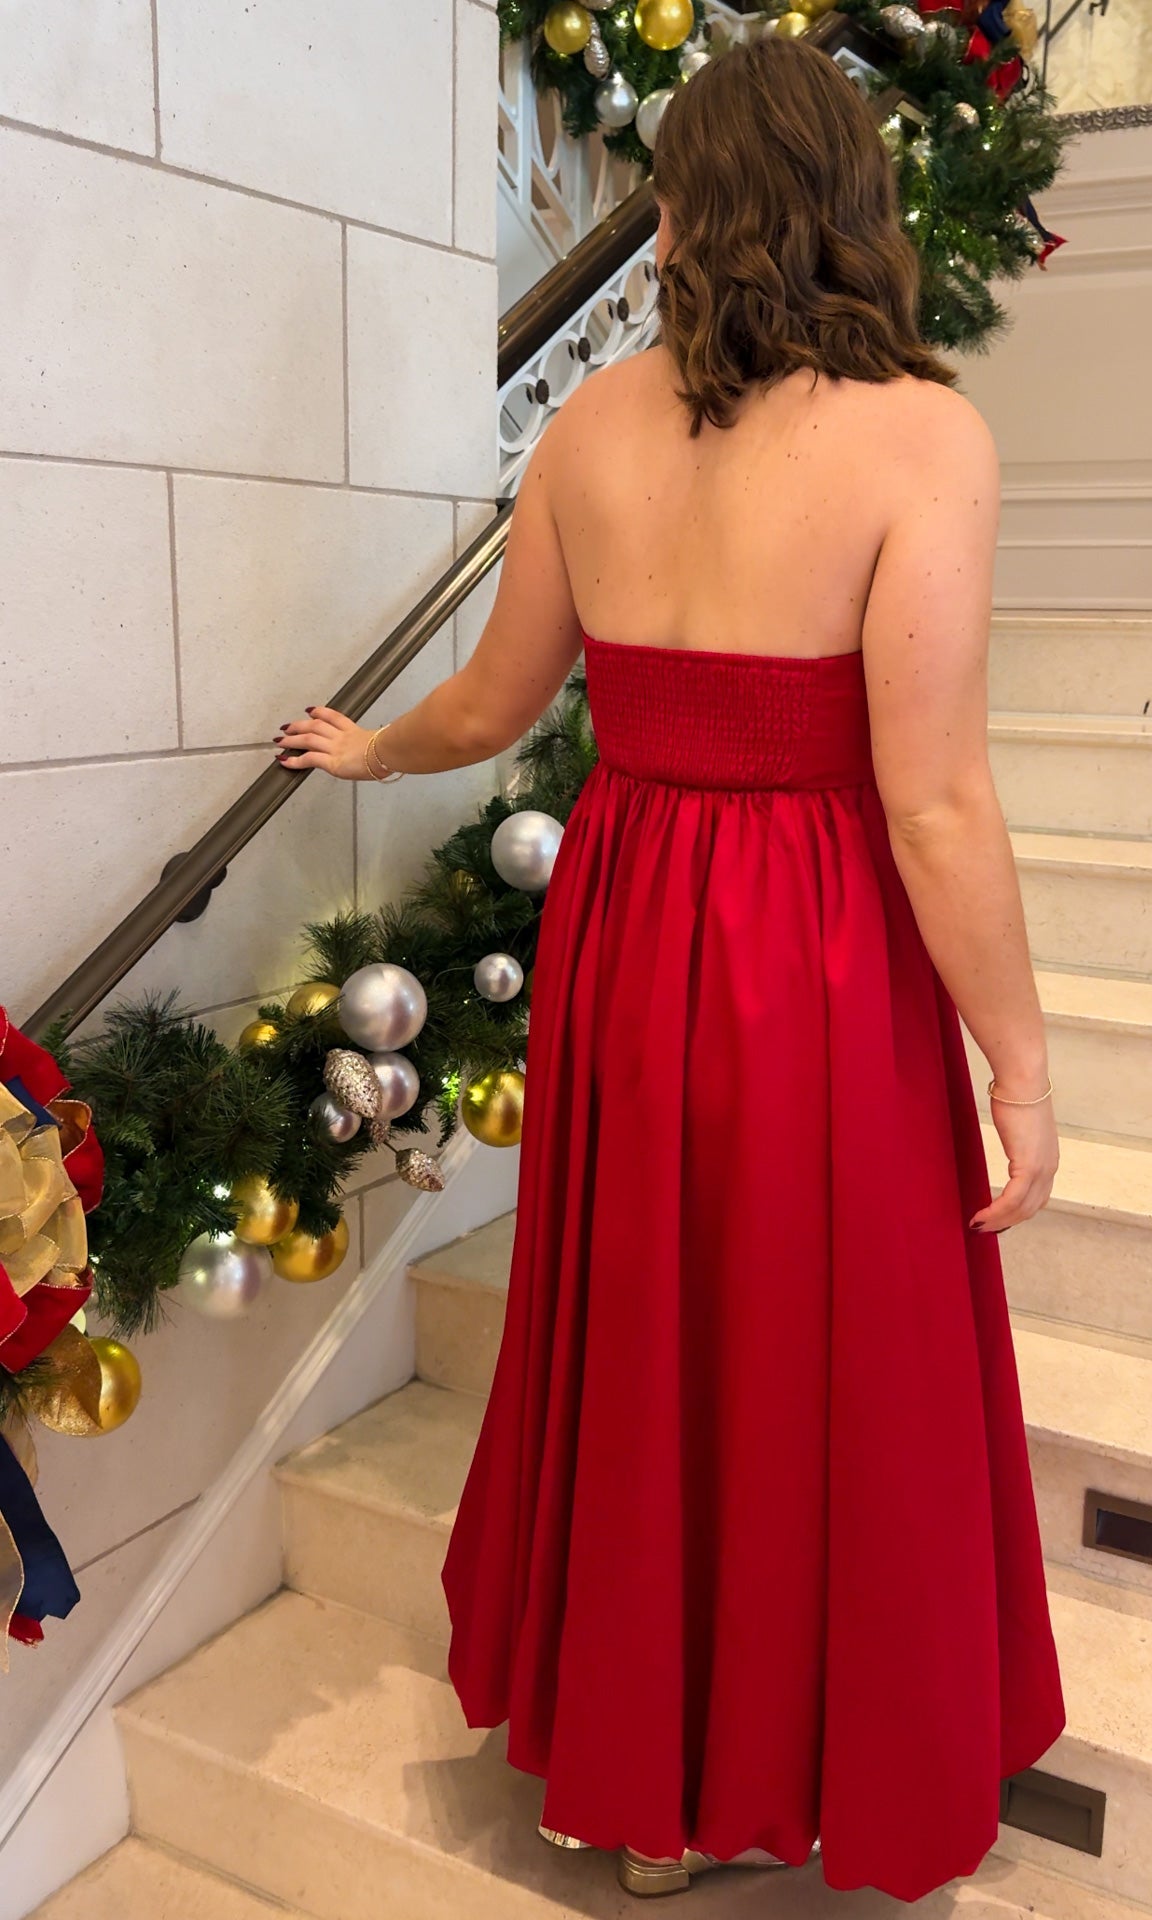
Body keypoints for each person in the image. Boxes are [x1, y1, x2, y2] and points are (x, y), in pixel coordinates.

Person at [276, 33, 1065, 1903]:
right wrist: (1019, 1062)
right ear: (855, 201)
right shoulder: (923, 437)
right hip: (816, 947)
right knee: (816, 1347)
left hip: (633, 925)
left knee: (643, 1334)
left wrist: (371, 750)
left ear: (685, 217)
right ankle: (765, 1771)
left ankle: (623, 1777)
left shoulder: (587, 432)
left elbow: (495, 698)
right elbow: (935, 802)